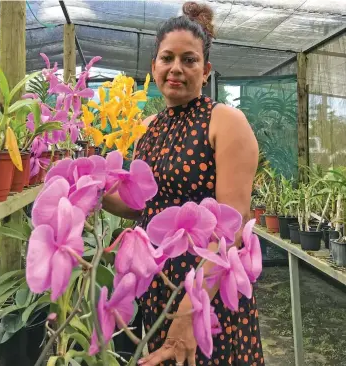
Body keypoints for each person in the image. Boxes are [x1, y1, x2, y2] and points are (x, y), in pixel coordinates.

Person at [103, 2, 264, 365]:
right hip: (157, 283)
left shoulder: (225, 122)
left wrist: (191, 311)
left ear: (205, 71)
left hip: (206, 290)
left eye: (189, 60)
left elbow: (231, 227)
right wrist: (94, 191)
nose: (176, 68)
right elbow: (140, 206)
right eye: (167, 58)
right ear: (154, 67)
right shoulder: (148, 129)